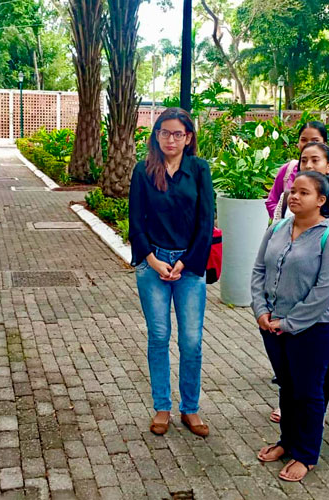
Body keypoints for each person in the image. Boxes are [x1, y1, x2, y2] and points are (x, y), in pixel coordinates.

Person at [252, 171, 329, 482]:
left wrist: (290, 323)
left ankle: (306, 454)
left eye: (303, 193)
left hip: (313, 330)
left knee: (308, 392)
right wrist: (261, 310)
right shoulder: (278, 227)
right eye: (292, 191)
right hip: (272, 325)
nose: (293, 196)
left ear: (321, 200)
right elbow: (258, 269)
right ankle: (287, 441)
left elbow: (326, 289)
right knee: (287, 385)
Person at [128, 107, 214, 437]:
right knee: (159, 336)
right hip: (153, 266)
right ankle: (162, 407)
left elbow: (206, 223)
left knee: (191, 341)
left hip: (189, 267)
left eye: (178, 134)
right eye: (165, 132)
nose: (171, 139)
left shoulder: (199, 170)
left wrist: (185, 262)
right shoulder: (143, 170)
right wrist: (151, 259)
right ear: (156, 134)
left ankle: (190, 409)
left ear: (188, 137)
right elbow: (136, 221)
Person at [267, 141, 329, 424]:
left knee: (314, 376)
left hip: (318, 309)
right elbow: (272, 249)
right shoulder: (287, 203)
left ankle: (309, 429)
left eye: (315, 160)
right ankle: (291, 429)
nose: (308, 165)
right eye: (303, 160)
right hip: (282, 305)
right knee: (290, 379)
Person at [265, 121, 329, 220]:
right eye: (304, 140)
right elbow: (272, 201)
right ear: (298, 143)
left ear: (325, 144)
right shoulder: (287, 170)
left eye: (315, 140)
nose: (309, 144)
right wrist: (288, 218)